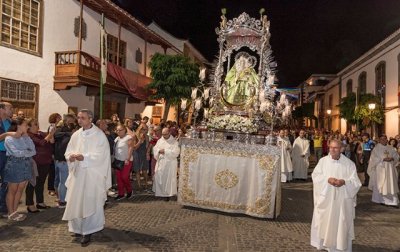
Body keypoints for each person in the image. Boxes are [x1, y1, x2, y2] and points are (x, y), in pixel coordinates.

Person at [62, 109, 111, 247]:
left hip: (92, 175)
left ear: (90, 119)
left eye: (82, 118)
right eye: (78, 118)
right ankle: (77, 228)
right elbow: (68, 150)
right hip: (77, 174)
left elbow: (102, 155)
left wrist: (85, 158)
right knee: (76, 200)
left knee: (89, 201)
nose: (79, 120)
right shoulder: (76, 135)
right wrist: (70, 157)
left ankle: (88, 230)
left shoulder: (99, 135)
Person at [311, 139, 362, 251]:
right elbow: (315, 176)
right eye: (331, 147)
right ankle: (324, 242)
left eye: (335, 148)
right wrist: (327, 180)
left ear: (342, 149)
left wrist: (344, 182)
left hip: (342, 201)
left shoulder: (349, 164)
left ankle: (341, 244)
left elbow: (356, 182)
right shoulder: (323, 161)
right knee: (325, 221)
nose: (332, 150)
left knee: (341, 222)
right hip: (327, 200)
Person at [4, 117, 36, 221]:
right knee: (12, 190)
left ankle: (15, 211)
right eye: (26, 125)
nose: (27, 127)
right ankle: (11, 212)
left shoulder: (25, 137)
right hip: (14, 164)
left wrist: (26, 150)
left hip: (25, 164)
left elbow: (33, 151)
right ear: (19, 126)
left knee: (20, 189)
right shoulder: (9, 138)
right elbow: (16, 154)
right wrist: (26, 152)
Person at [26, 118, 55, 213]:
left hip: (45, 161)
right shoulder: (29, 136)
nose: (37, 126)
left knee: (41, 183)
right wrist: (50, 134)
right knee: (32, 183)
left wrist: (51, 134)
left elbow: (52, 142)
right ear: (29, 127)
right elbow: (41, 143)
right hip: (36, 162)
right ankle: (30, 204)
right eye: (35, 124)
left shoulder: (41, 133)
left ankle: (40, 202)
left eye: (37, 124)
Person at [367, 135, 399, 207]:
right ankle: (381, 200)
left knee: (391, 184)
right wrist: (383, 159)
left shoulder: (391, 148)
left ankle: (392, 201)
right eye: (381, 139)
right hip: (380, 170)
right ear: (379, 140)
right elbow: (373, 159)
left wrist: (392, 158)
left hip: (390, 170)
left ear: (387, 140)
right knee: (381, 184)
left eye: (384, 139)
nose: (383, 140)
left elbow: (396, 156)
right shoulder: (376, 149)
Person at [54, 114, 77, 208]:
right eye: (71, 120)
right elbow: (56, 135)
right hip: (62, 160)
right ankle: (62, 201)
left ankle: (66, 198)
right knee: (63, 181)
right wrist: (69, 133)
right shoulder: (60, 129)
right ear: (67, 120)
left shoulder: (73, 129)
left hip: (70, 160)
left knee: (68, 181)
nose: (73, 122)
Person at [153, 128, 180, 200]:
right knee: (159, 177)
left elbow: (176, 153)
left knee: (168, 179)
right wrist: (158, 151)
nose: (164, 136)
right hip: (161, 162)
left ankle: (167, 194)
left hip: (170, 164)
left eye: (165, 134)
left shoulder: (174, 142)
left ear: (169, 133)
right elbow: (155, 149)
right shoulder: (160, 141)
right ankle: (159, 192)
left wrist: (165, 151)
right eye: (163, 134)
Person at [113, 124, 133, 200]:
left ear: (124, 130)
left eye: (120, 130)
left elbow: (131, 148)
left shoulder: (128, 137)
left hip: (126, 161)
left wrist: (127, 159)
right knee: (119, 178)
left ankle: (129, 191)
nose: (118, 131)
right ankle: (121, 194)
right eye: (117, 130)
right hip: (118, 160)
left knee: (125, 177)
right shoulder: (117, 138)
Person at [0, 102, 13, 217]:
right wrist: (7, 134)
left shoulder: (10, 122)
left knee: (6, 182)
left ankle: (3, 208)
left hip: (8, 155)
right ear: (2, 109)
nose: (12, 110)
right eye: (10, 108)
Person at [132, 124, 150, 191]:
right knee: (137, 170)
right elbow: (134, 147)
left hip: (144, 154)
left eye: (147, 129)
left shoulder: (147, 136)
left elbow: (147, 146)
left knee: (145, 170)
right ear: (140, 129)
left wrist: (147, 153)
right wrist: (140, 141)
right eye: (145, 129)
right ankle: (139, 185)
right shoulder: (135, 136)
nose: (146, 131)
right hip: (137, 154)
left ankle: (146, 184)